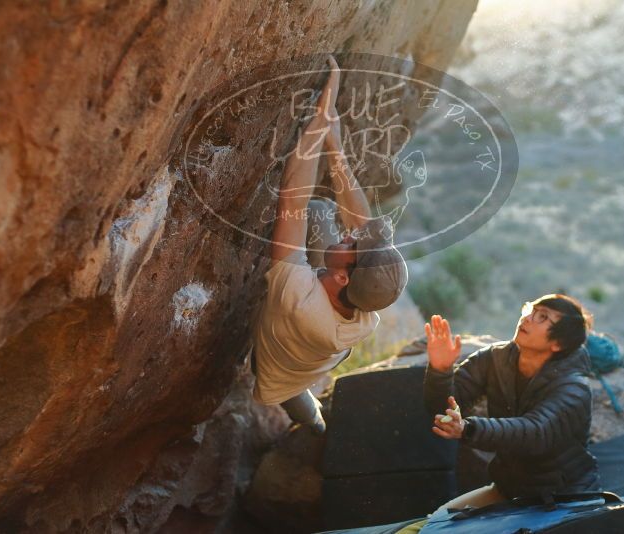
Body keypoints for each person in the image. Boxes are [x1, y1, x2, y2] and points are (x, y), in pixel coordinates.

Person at [251, 55, 408, 434]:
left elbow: (292, 200)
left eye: (352, 246)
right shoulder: (369, 297)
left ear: (341, 277)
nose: (351, 234)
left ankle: (316, 427)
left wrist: (318, 128)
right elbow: (365, 225)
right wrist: (335, 149)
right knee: (324, 211)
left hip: (278, 371)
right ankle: (318, 423)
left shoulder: (302, 305)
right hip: (322, 346)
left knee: (294, 396)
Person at [423, 294, 601, 510]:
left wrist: (468, 429)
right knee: (442, 520)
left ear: (558, 343)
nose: (527, 319)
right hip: (511, 491)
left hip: (563, 500)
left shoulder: (574, 388)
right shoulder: (495, 358)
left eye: (542, 317)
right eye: (530, 311)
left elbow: (536, 431)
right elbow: (444, 409)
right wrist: (441, 371)